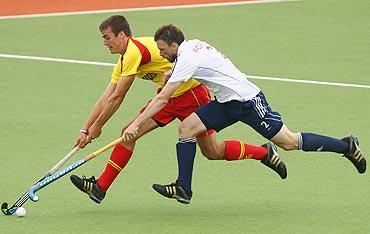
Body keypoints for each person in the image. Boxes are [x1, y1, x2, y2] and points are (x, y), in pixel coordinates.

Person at [123, 24, 366, 204]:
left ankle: (346, 146)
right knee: (186, 128)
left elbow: (163, 98)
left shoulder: (186, 58)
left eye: (163, 50)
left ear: (174, 45)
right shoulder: (191, 46)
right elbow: (215, 59)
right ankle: (183, 187)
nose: (162, 54)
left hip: (248, 101)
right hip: (226, 103)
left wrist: (136, 124)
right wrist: (172, 71)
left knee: (289, 142)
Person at [69, 15, 287, 204]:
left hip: (192, 95)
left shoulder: (135, 52)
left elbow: (118, 97)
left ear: (122, 35)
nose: (104, 42)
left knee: (212, 152)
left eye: (107, 37)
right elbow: (106, 95)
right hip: (168, 97)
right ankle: (100, 187)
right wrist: (85, 129)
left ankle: (265, 153)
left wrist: (97, 127)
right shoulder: (123, 61)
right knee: (128, 133)